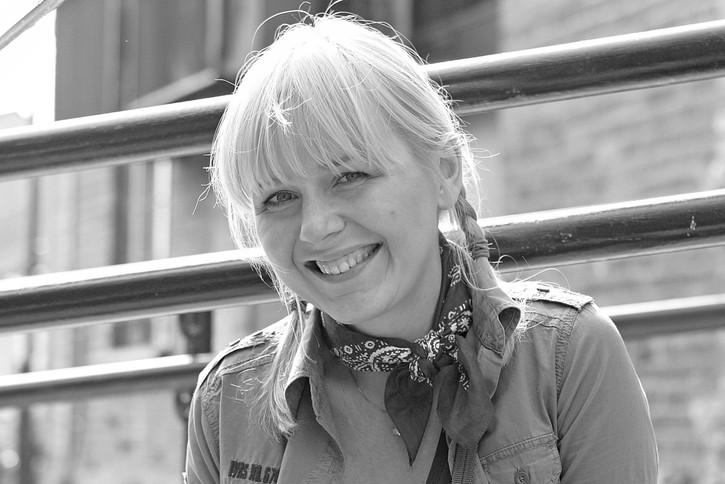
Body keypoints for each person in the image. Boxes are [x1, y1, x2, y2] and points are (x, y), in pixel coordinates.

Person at [184, 12, 658, 484]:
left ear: (444, 172)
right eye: (278, 198)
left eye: (350, 175)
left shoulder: (569, 357)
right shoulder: (223, 403)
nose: (316, 227)